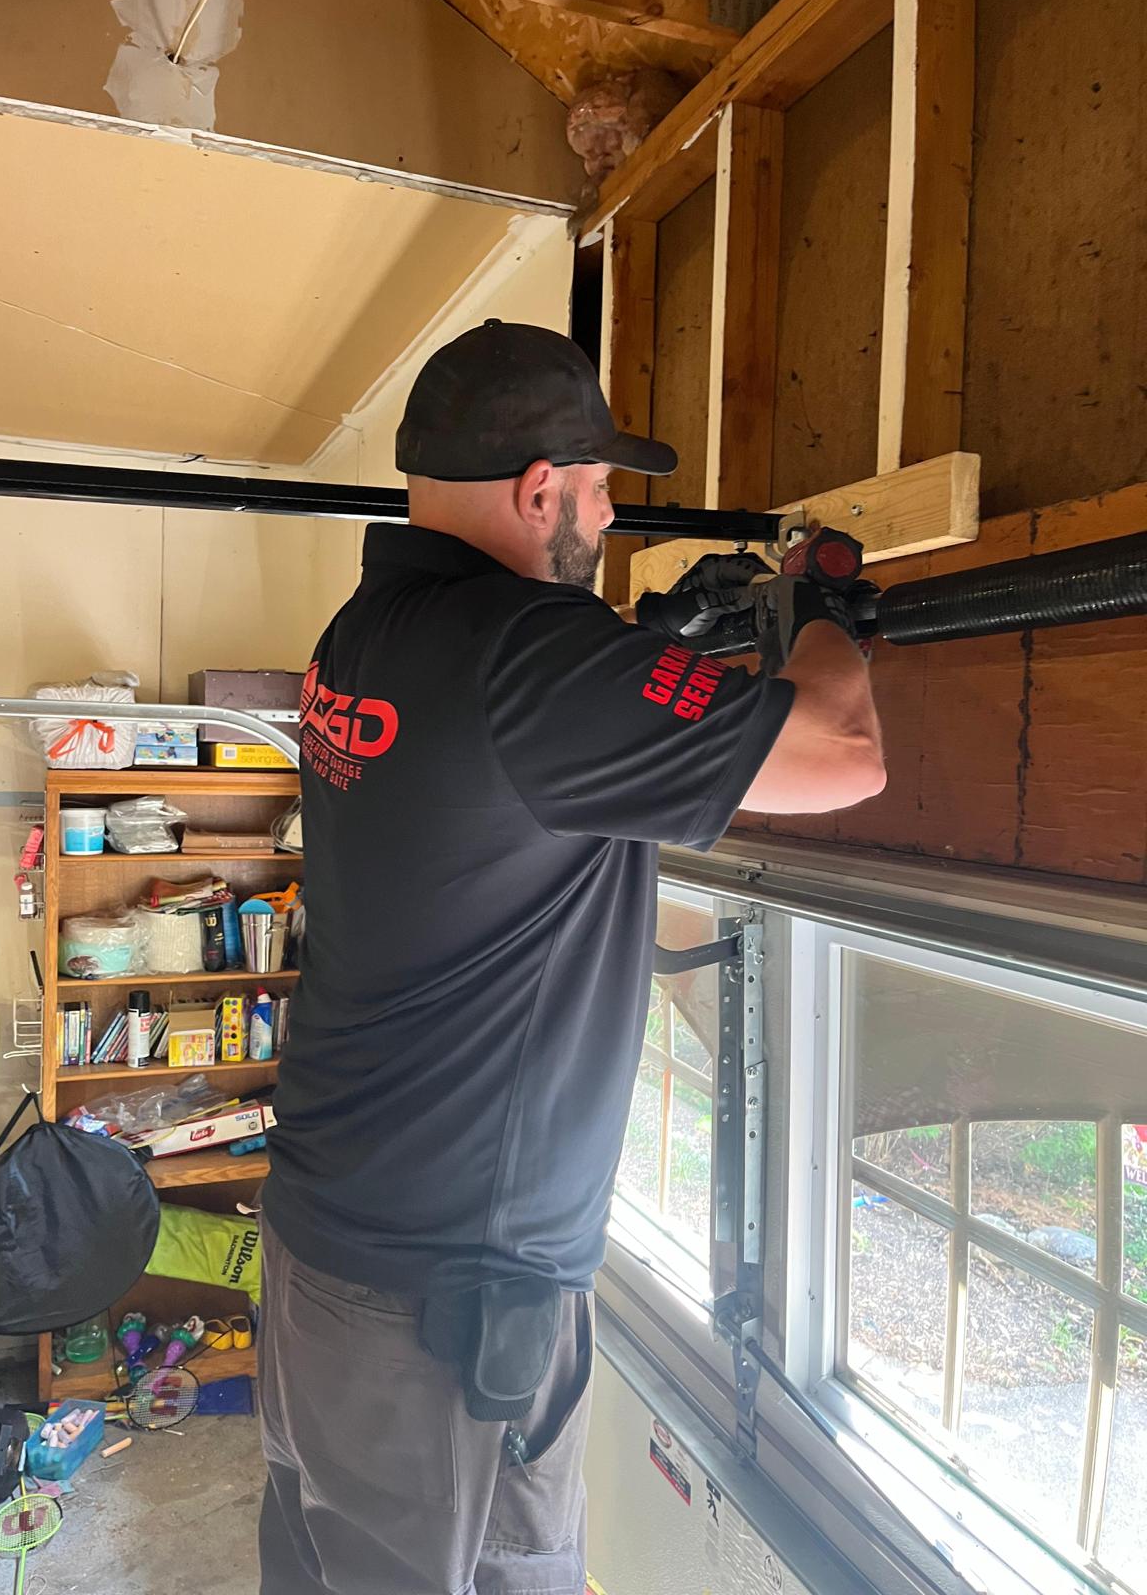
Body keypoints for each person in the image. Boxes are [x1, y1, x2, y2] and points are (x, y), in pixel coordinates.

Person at [257, 321, 885, 1595]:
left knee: (323, 1560)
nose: (607, 514)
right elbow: (842, 753)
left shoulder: (365, 633)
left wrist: (656, 640)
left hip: (330, 1242)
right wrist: (822, 617)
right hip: (452, 1300)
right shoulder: (525, 656)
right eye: (599, 488)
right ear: (540, 487)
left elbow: (533, 737)